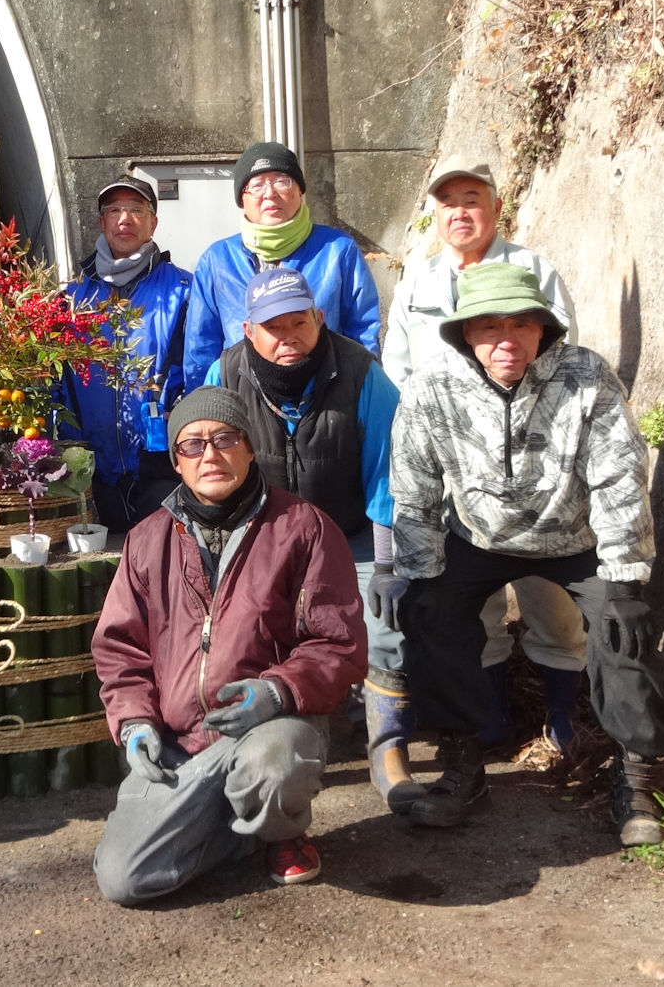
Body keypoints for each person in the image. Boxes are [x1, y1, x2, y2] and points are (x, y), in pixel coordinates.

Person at [375, 265, 664, 846]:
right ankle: (462, 764)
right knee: (430, 614)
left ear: (543, 329)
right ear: (466, 334)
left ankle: (637, 777)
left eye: (521, 324)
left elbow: (618, 476)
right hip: (478, 535)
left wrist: (625, 580)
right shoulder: (432, 387)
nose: (506, 340)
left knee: (624, 630)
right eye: (489, 327)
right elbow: (414, 489)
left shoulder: (586, 376)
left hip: (576, 537)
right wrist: (416, 573)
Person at [90, 387, 367, 904]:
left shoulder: (303, 528)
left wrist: (277, 691)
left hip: (270, 728)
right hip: (180, 743)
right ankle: (240, 831)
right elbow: (120, 648)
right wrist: (135, 722)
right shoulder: (146, 540)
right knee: (126, 879)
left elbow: (338, 643)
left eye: (224, 439)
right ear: (176, 462)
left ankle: (279, 831)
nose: (210, 455)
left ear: (249, 448)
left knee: (274, 763)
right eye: (192, 445)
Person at [382, 156, 585, 751]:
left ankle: (563, 716)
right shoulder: (418, 280)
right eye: (448, 203)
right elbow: (398, 365)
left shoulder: (532, 270)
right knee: (475, 600)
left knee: (552, 601)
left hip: (533, 463)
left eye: (472, 199)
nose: (460, 212)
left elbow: (558, 358)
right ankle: (489, 717)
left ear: (496, 207)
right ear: (435, 215)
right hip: (451, 463)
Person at [204, 268, 418, 813]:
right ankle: (260, 736)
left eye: (298, 322)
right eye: (272, 327)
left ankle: (388, 749)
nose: (288, 337)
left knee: (384, 625)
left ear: (319, 319)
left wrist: (387, 566)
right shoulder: (224, 375)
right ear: (248, 331)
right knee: (244, 626)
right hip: (266, 537)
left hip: (351, 532)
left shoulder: (362, 373)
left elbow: (388, 474)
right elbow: (213, 471)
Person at [183, 142, 380, 390]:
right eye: (257, 185)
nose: (269, 193)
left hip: (326, 393)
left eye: (281, 181)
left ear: (300, 190)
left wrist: (361, 391)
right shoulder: (217, 259)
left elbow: (363, 331)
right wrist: (201, 403)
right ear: (242, 198)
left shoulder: (338, 249)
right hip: (242, 396)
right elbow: (200, 347)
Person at [61, 175, 191, 529]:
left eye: (136, 209)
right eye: (114, 210)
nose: (124, 219)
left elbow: (199, 370)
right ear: (102, 222)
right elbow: (53, 381)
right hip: (86, 471)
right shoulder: (71, 298)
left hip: (161, 467)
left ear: (153, 223)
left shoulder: (184, 290)